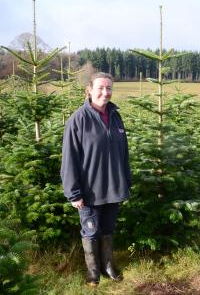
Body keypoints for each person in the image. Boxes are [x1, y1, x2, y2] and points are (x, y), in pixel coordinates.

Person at [60, 72, 131, 287]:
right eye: (100, 87)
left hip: (114, 188)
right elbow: (69, 159)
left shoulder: (116, 117)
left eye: (109, 88)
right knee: (90, 231)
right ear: (90, 89)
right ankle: (92, 272)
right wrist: (74, 193)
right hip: (89, 192)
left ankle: (107, 265)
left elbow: (124, 153)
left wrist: (126, 182)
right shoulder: (78, 119)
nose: (105, 92)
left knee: (108, 229)